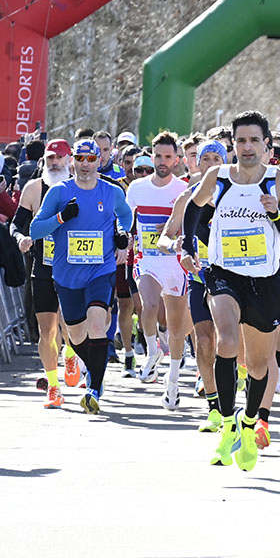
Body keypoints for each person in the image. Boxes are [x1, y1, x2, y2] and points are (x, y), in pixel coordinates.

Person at [181, 111, 280, 470]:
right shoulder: (217, 177)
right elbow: (194, 207)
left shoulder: (277, 181)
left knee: (259, 363)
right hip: (223, 274)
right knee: (226, 340)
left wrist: (275, 215)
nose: (247, 147)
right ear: (232, 145)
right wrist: (189, 246)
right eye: (241, 141)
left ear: (266, 144)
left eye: (254, 140)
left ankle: (248, 424)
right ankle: (224, 419)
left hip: (264, 280)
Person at [30, 140, 133, 413]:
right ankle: (91, 367)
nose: (85, 164)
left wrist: (123, 234)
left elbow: (125, 216)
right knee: (75, 335)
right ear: (72, 161)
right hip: (67, 275)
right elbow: (35, 230)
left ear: (99, 161)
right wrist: (62, 218)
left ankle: (93, 389)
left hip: (101, 269)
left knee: (98, 324)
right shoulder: (58, 192)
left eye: (91, 159)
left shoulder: (111, 192)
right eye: (80, 158)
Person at [158, 140, 228, 432]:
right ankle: (214, 406)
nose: (211, 163)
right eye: (205, 158)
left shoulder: (237, 194)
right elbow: (163, 237)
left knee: (233, 342)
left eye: (217, 158)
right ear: (195, 163)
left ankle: (237, 392)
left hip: (236, 278)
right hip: (201, 276)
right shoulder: (187, 197)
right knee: (204, 338)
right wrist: (175, 244)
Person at [125, 133, 191, 413]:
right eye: (158, 156)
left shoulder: (184, 189)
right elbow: (126, 222)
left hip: (176, 263)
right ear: (151, 157)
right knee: (148, 305)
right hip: (148, 260)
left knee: (177, 329)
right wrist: (123, 238)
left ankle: (173, 383)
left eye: (168, 157)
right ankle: (152, 352)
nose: (162, 162)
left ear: (177, 160)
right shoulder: (137, 188)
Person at [10, 139, 75, 406]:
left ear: (69, 160)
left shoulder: (79, 189)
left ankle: (70, 353)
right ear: (44, 161)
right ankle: (53, 385)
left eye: (60, 158)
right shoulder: (33, 189)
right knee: (46, 329)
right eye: (50, 159)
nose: (55, 163)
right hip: (44, 267)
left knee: (70, 326)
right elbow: (16, 225)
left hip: (73, 270)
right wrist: (21, 239)